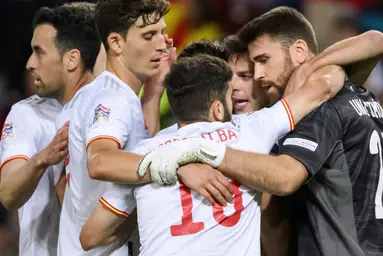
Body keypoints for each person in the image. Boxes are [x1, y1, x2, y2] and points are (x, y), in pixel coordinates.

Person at [145, 7, 383, 256]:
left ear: (299, 52)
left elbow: (284, 180)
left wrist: (203, 152)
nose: (258, 76)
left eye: (262, 61)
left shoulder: (320, 109)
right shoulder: (361, 94)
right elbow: (374, 40)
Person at [80, 54, 345, 255]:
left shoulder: (146, 154)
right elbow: (328, 82)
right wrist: (308, 67)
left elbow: (91, 237)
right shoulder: (251, 130)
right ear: (218, 108)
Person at [58, 0, 172, 256]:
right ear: (116, 43)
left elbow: (138, 146)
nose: (162, 43)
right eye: (148, 36)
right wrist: (174, 166)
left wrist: (154, 91)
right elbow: (100, 161)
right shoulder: (112, 99)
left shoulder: (107, 93)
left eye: (161, 32)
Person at [0, 2, 101, 256]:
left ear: (71, 58)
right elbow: (8, 195)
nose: (30, 63)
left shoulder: (109, 109)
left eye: (39, 52)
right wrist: (42, 159)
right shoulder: (26, 114)